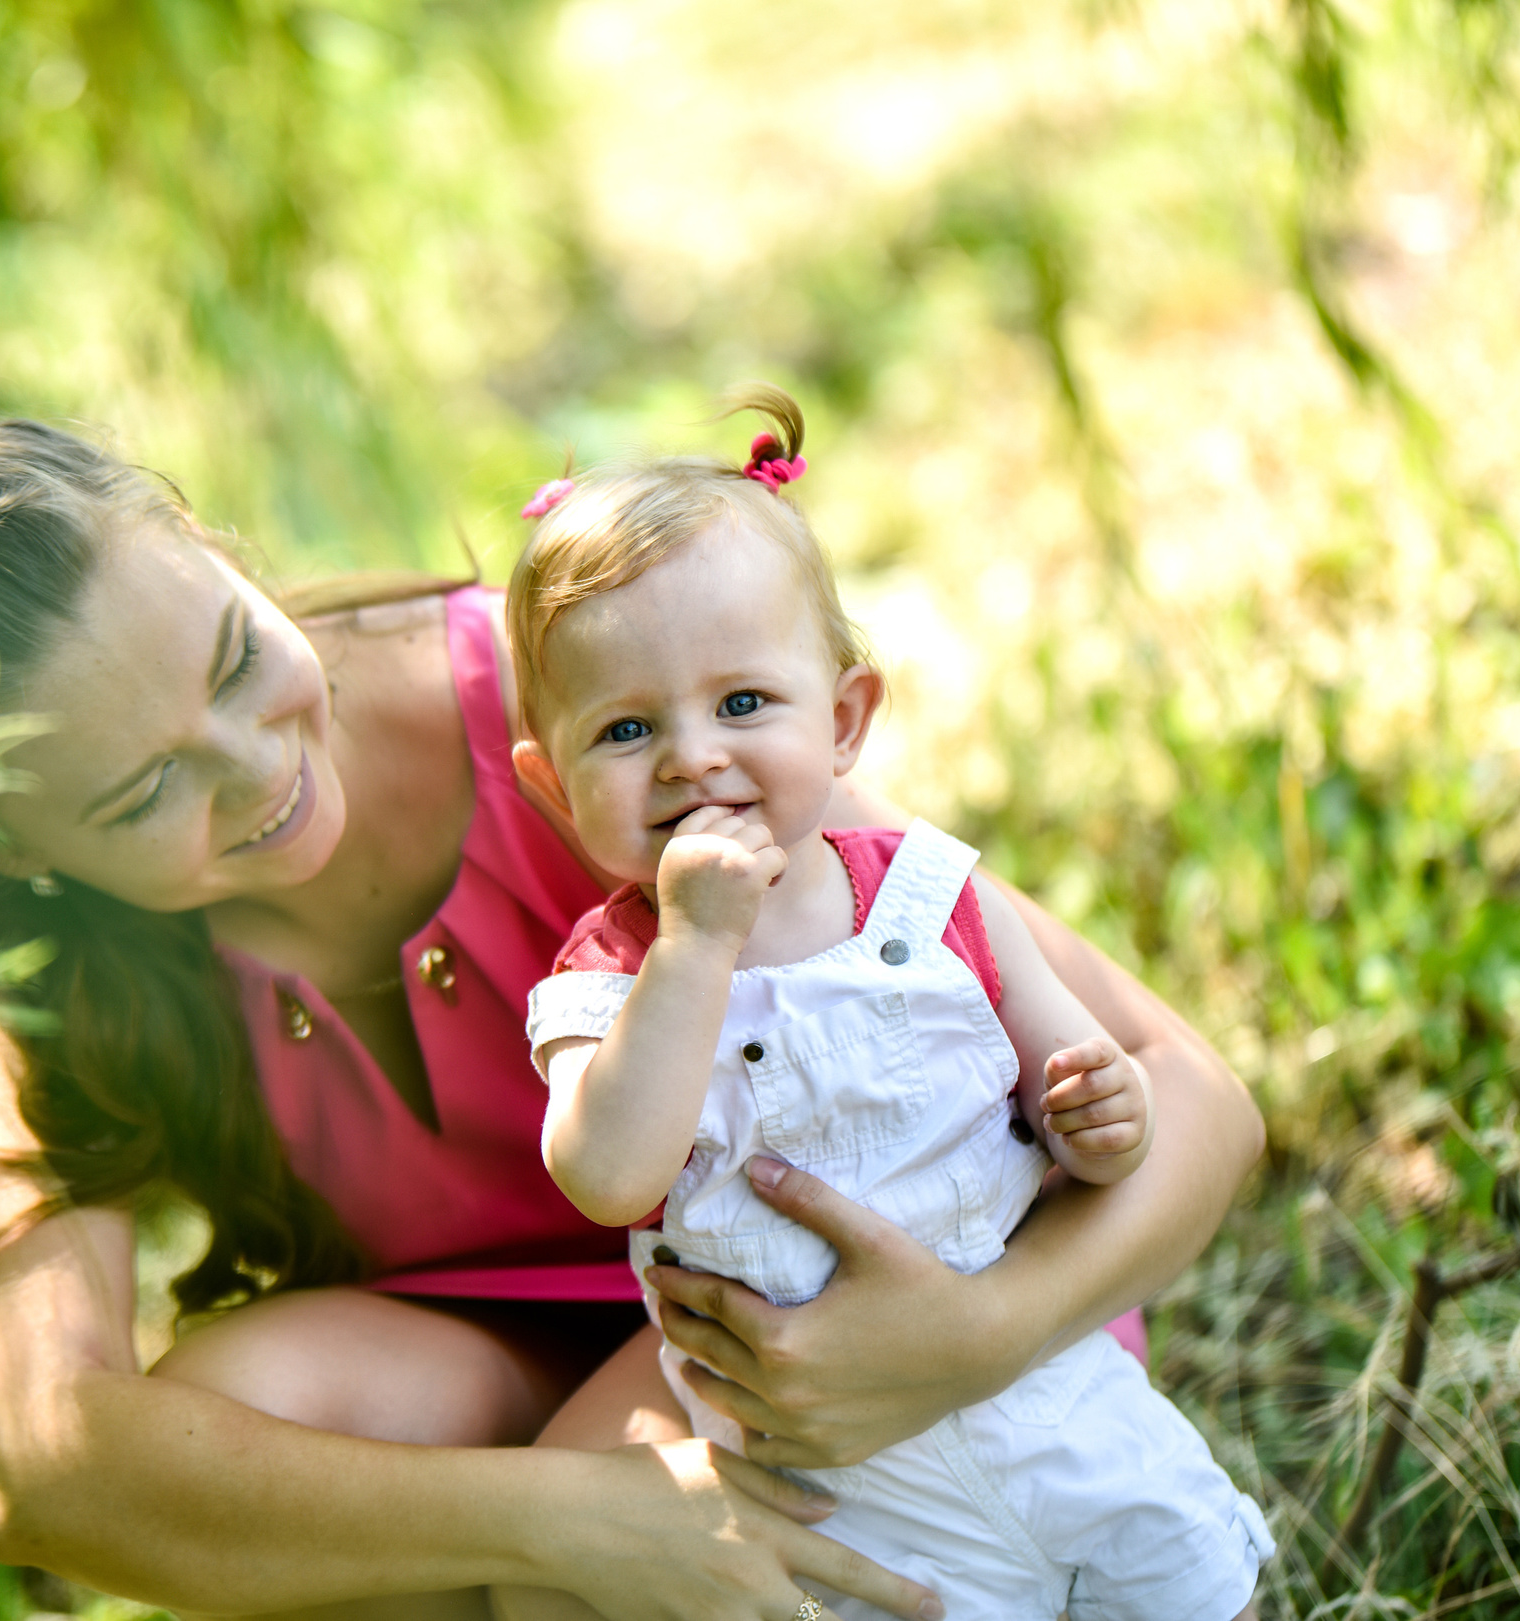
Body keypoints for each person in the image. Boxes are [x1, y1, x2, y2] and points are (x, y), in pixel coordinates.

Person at [0, 411, 1267, 1621]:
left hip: (851, 1311)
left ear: (204, 541)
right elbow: (45, 1458)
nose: (257, 774)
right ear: (3, 845)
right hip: (530, 1398)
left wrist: (975, 1336)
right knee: (238, 1423)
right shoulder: (17, 973)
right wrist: (568, 1520)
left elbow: (1189, 1090)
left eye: (235, 658)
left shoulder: (605, 717)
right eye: (143, 794)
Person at [506, 389, 1272, 1621]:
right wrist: (694, 946)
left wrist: (1098, 1110)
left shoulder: (934, 894)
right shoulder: (605, 980)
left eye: (741, 704)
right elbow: (607, 1172)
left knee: (1179, 1583)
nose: (693, 756)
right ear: (554, 788)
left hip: (1045, 1398)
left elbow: (1072, 1082)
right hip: (832, 1470)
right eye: (628, 728)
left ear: (844, 720)